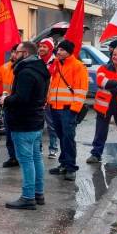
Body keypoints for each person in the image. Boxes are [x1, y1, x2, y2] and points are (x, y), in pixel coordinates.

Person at [1, 42, 50, 210]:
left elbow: (22, 99)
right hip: (35, 120)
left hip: (24, 122)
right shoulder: (40, 68)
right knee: (35, 158)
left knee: (27, 160)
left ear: (26, 53)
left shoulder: (26, 72)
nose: (14, 55)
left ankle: (28, 197)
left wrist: (5, 100)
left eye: (17, 52)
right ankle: (38, 193)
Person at [86, 46, 117, 167]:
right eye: (114, 54)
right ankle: (96, 154)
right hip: (104, 106)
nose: (115, 57)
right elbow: (100, 81)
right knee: (100, 132)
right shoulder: (103, 68)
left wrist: (109, 86)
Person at [47, 40, 88, 182]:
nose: (58, 52)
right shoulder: (57, 65)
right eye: (58, 49)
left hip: (68, 110)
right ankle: (63, 164)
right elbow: (52, 86)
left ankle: (70, 168)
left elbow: (81, 91)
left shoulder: (78, 67)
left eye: (62, 50)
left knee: (68, 139)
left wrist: (74, 110)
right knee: (62, 137)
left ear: (69, 52)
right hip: (55, 108)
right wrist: (49, 102)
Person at [0, 45, 18, 168]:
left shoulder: (25, 68)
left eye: (16, 52)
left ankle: (22, 157)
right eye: (13, 52)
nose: (14, 55)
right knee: (9, 134)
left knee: (20, 134)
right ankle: (12, 157)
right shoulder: (5, 67)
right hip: (8, 105)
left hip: (21, 106)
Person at [38, 38, 59, 159]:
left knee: (52, 126)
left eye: (44, 46)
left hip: (51, 99)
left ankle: (53, 148)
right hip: (37, 99)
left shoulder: (56, 62)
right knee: (38, 125)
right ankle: (38, 148)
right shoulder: (36, 61)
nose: (41, 48)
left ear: (50, 49)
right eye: (40, 46)